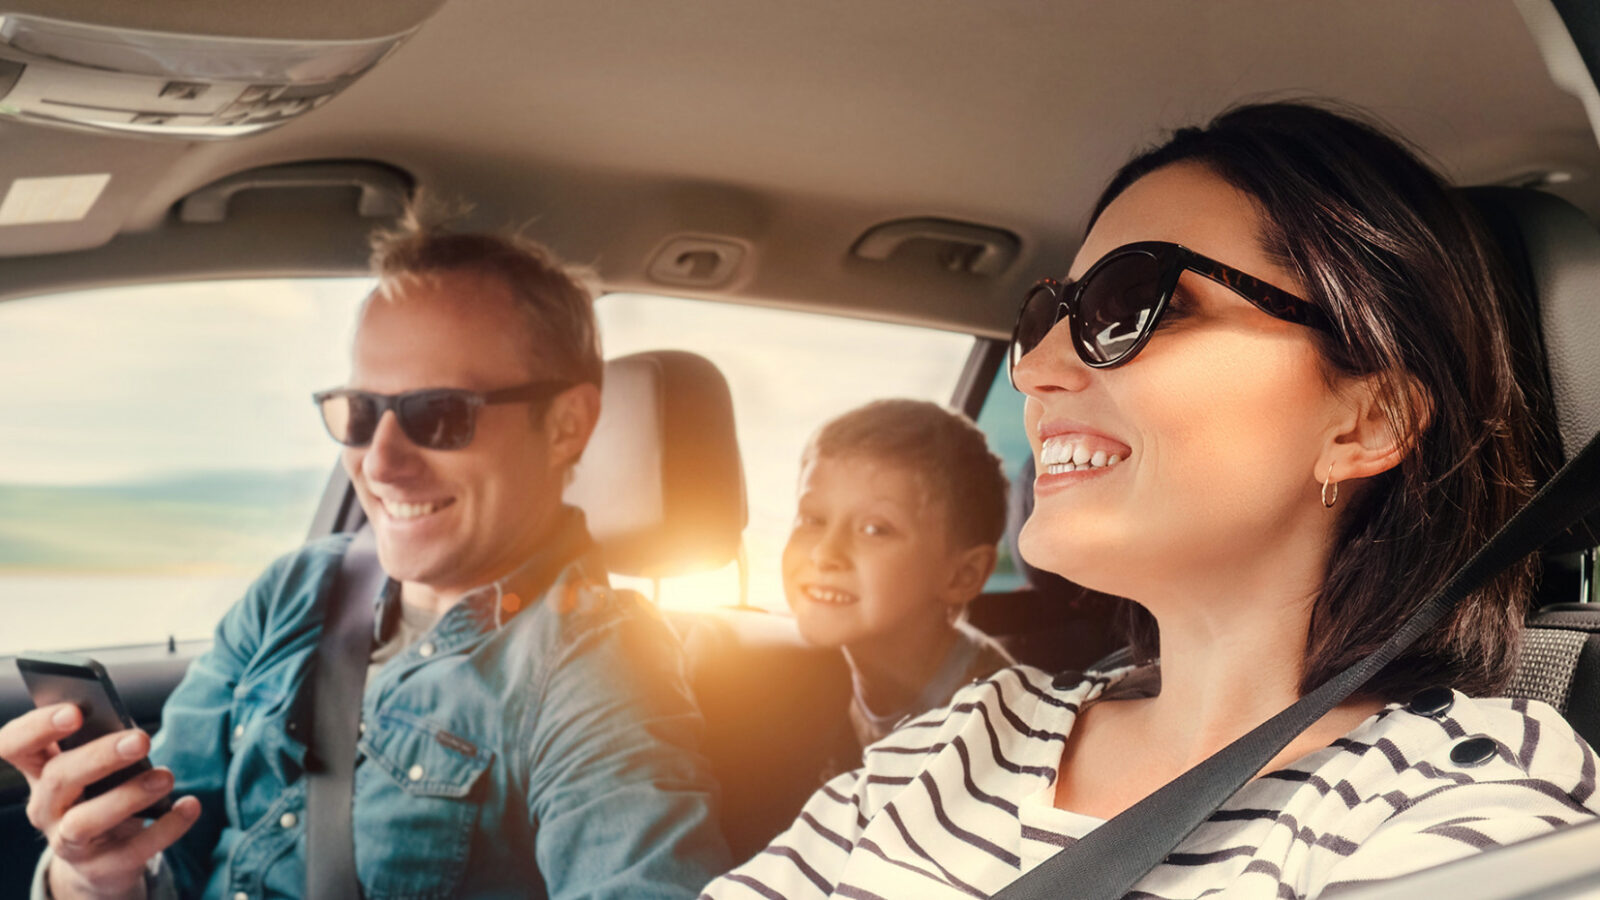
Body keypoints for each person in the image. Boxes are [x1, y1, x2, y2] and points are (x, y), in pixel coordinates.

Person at [701, 101, 1600, 899]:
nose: (1035, 368)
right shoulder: (960, 740)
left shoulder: (1458, 801)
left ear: (1368, 421)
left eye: (1138, 307)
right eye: (1046, 318)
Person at [1, 210, 731, 899]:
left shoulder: (598, 666)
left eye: (438, 414)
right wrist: (91, 873)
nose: (380, 463)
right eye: (360, 411)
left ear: (567, 424)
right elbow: (167, 849)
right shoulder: (297, 587)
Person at [784, 399, 1014, 760]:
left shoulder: (991, 724)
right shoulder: (822, 680)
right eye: (812, 520)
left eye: (874, 529)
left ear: (963, 575)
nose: (824, 553)